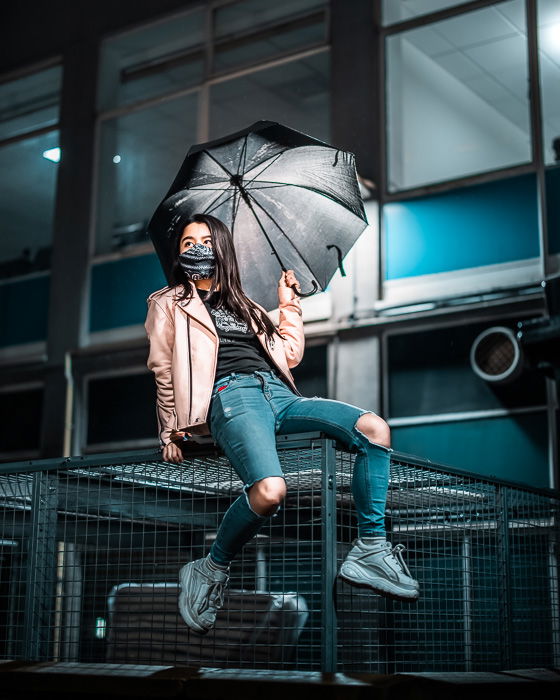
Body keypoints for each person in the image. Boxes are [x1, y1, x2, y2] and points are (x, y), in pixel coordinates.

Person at [144, 213, 419, 635]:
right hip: (228, 394)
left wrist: (287, 302)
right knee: (270, 491)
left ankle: (370, 548)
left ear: (221, 249)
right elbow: (163, 366)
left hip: (279, 393)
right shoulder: (167, 302)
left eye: (205, 239)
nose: (195, 247)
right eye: (187, 242)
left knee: (374, 429)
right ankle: (209, 567)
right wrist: (169, 429)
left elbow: (288, 355)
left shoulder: (246, 304)